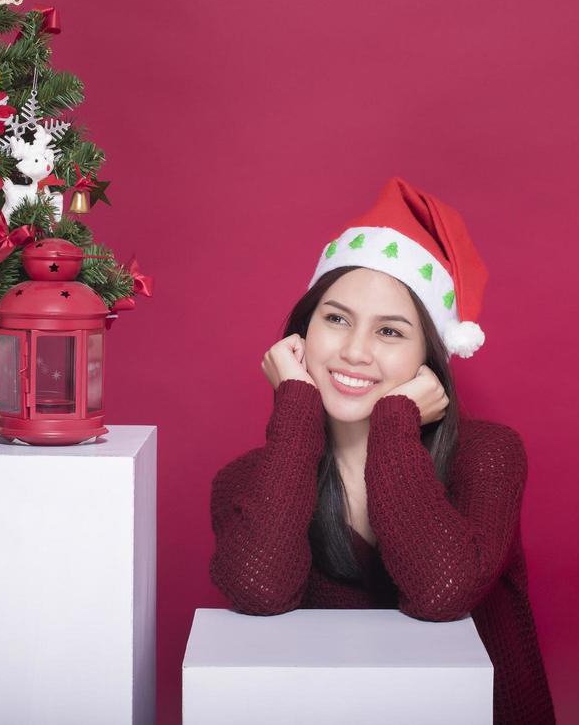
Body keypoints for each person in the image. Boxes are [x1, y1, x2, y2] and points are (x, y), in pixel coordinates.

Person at [210, 177, 557, 724]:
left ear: (430, 356)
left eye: (390, 332)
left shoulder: (487, 456)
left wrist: (395, 426)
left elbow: (442, 593)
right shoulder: (248, 481)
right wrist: (297, 406)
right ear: (301, 335)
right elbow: (258, 588)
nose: (353, 351)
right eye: (336, 319)